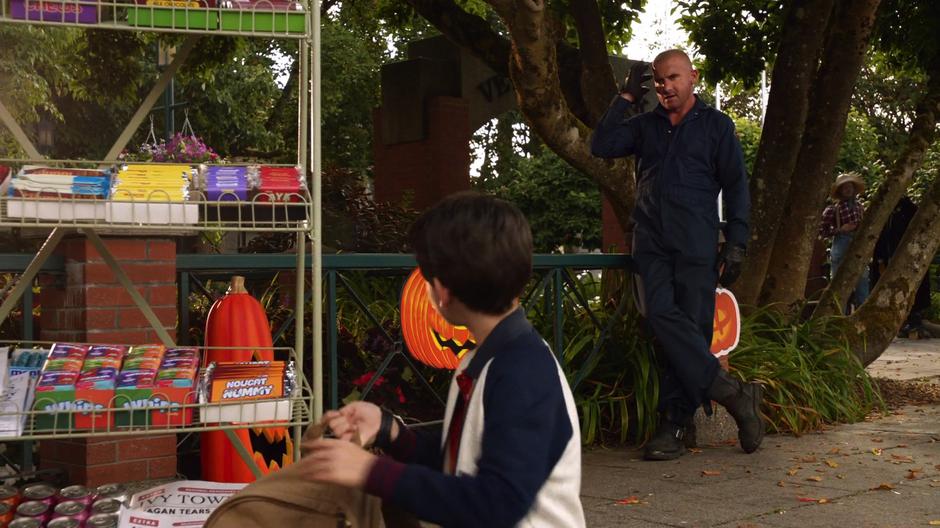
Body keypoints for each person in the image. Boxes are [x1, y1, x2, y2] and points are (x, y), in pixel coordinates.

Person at [300, 192, 586, 527]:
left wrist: (370, 471)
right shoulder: (484, 358)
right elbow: (466, 456)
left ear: (441, 291)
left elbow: (498, 504)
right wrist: (391, 431)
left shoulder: (524, 372)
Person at [591, 49, 764, 461]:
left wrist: (737, 242)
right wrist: (626, 99)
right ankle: (735, 396)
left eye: (672, 78)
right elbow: (601, 144)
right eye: (658, 80)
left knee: (689, 332)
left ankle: (673, 424)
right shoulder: (644, 126)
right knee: (661, 316)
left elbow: (736, 187)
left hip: (697, 244)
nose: (665, 86)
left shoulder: (717, 127)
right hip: (651, 242)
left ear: (693, 78)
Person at [819, 171, 870, 311]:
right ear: (840, 191)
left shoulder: (860, 207)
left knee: (862, 278)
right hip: (841, 242)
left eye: (850, 186)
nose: (848, 189)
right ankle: (838, 314)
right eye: (844, 187)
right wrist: (840, 230)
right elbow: (821, 231)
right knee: (838, 281)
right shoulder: (832, 209)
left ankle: (862, 312)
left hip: (858, 243)